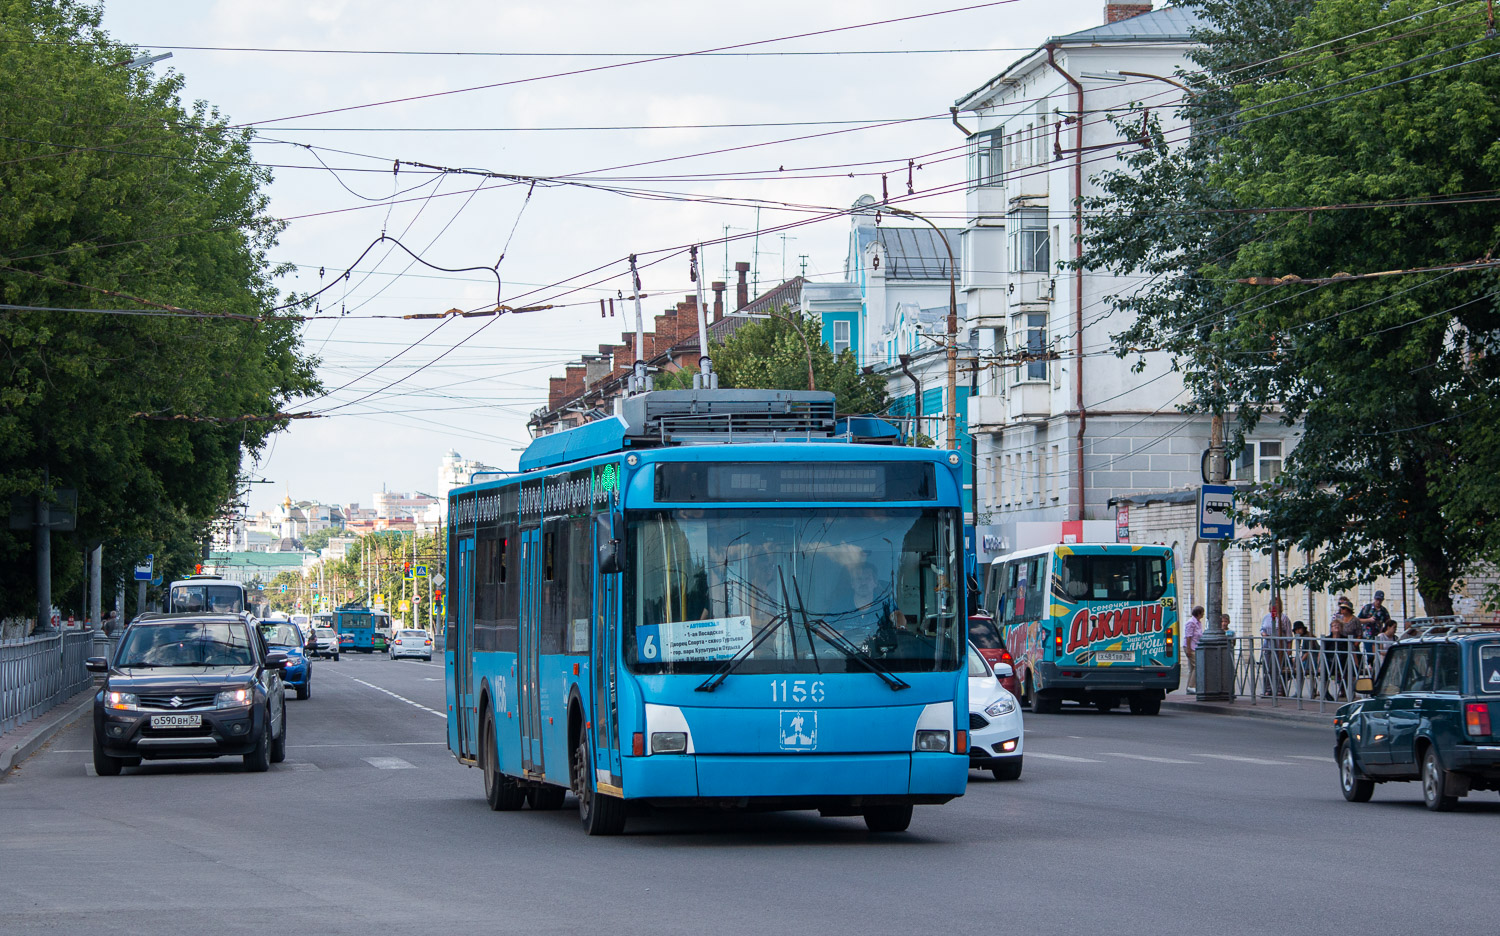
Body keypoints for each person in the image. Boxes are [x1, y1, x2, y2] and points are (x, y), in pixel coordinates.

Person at [1260, 599, 1291, 696]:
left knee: (1279, 668)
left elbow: (1289, 635)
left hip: (1280, 647)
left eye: (1277, 604)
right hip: (1268, 647)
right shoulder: (1266, 617)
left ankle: (1280, 689)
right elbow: (1262, 629)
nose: (1275, 606)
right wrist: (1264, 634)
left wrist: (1289, 649)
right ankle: (1268, 689)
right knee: (1268, 669)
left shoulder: (1284, 618)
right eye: (1273, 604)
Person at [1183, 605, 1205, 694]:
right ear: (1198, 613)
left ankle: (1189, 687)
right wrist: (1188, 649)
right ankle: (1192, 686)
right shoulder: (1191, 622)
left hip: (1195, 647)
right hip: (1190, 647)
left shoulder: (1198, 623)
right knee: (1197, 665)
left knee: (1192, 668)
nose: (1203, 614)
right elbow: (1188, 636)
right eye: (1202, 612)